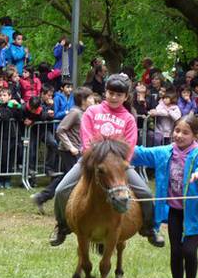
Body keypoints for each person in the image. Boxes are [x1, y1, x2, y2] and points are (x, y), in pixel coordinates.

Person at [50, 73, 165, 248]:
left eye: (119, 95)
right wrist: (93, 161)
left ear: (126, 97)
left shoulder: (128, 118)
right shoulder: (92, 112)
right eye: (111, 93)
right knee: (60, 190)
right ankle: (62, 226)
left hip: (118, 166)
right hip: (91, 163)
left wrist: (121, 163)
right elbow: (86, 137)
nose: (114, 97)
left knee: (146, 194)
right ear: (105, 93)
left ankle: (149, 228)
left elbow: (130, 144)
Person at [131, 114, 198, 278]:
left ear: (195, 135)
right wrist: (121, 144)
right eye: (177, 131)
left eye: (185, 132)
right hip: (174, 212)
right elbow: (141, 153)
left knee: (189, 251)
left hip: (194, 213)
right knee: (176, 252)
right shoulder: (165, 152)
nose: (179, 135)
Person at [32, 87, 95, 212]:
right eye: (90, 98)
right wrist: (70, 146)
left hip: (78, 150)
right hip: (69, 151)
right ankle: (68, 205)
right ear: (83, 100)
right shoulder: (75, 112)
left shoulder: (84, 113)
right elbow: (61, 129)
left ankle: (42, 197)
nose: (93, 100)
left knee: (67, 176)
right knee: (75, 178)